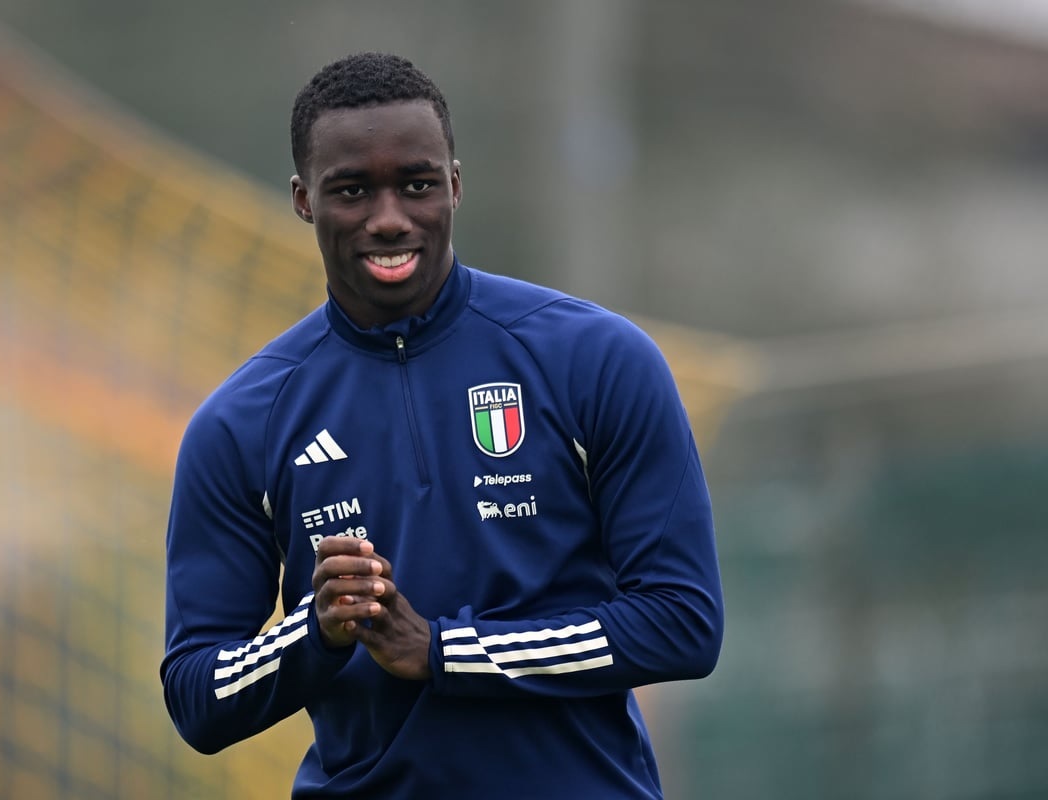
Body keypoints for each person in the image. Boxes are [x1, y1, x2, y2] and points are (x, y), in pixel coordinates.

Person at [161, 51, 724, 799]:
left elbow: (682, 622)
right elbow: (197, 697)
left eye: (417, 184)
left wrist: (445, 651)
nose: (389, 219)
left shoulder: (595, 358)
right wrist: (316, 631)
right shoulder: (242, 422)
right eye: (352, 190)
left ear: (455, 184)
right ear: (303, 199)